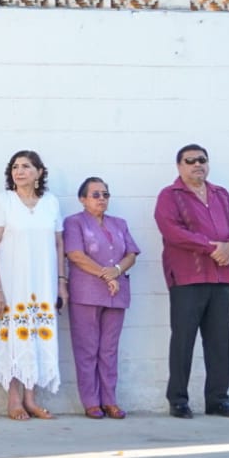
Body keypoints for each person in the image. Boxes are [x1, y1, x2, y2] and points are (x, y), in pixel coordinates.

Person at [155, 144, 229, 419]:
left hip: (222, 279)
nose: (197, 165)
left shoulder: (221, 194)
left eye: (201, 160)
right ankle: (178, 400)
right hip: (187, 278)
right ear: (179, 166)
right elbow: (172, 232)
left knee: (219, 341)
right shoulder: (170, 196)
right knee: (183, 340)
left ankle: (218, 399)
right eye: (190, 161)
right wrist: (211, 247)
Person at [0, 150, 64, 420]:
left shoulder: (51, 202)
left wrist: (61, 283)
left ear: (39, 172)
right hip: (11, 282)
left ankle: (31, 398)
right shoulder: (3, 201)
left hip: (42, 282)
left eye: (26, 166)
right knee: (13, 336)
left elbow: (59, 244)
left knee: (37, 335)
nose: (19, 171)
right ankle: (14, 399)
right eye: (15, 167)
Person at [64, 177, 140, 419]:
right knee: (87, 349)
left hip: (116, 293)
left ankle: (110, 400)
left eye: (105, 194)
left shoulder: (119, 223)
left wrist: (116, 271)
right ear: (83, 199)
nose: (101, 199)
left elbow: (131, 253)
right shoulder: (74, 222)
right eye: (95, 195)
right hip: (87, 293)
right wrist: (106, 275)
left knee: (109, 349)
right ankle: (91, 401)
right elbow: (75, 254)